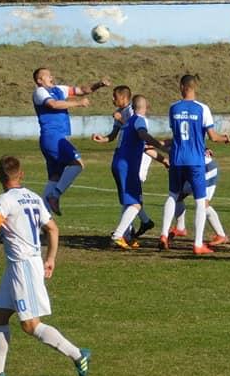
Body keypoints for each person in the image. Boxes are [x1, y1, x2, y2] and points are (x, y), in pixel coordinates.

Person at [0, 156, 90, 376]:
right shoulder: (33, 197)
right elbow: (53, 228)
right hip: (17, 266)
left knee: (30, 325)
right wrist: (50, 258)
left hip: (24, 266)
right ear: (21, 174)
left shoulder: (4, 200)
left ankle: (78, 354)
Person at [159, 75, 230, 254]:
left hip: (176, 159)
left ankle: (163, 235)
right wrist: (224, 138)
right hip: (195, 161)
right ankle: (198, 244)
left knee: (172, 195)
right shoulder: (202, 109)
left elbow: (177, 135)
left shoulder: (173, 108)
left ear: (182, 86)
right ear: (194, 87)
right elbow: (213, 137)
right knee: (200, 202)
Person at [32, 67, 109, 216]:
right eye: (48, 75)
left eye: (51, 74)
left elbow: (82, 90)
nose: (51, 77)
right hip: (53, 137)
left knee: (55, 178)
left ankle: (40, 221)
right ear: (39, 80)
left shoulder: (59, 89)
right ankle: (55, 196)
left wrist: (99, 84)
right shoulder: (40, 92)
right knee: (77, 164)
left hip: (57, 137)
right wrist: (78, 103)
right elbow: (53, 104)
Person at [92, 85, 155, 238]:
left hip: (138, 158)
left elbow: (135, 127)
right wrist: (103, 139)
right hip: (127, 158)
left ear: (124, 98)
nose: (112, 99)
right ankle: (138, 226)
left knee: (132, 197)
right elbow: (113, 135)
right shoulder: (121, 113)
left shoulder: (133, 112)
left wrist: (121, 118)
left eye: (115, 96)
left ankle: (125, 232)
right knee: (130, 196)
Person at [109, 95, 165, 250]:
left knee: (129, 202)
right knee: (136, 203)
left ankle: (126, 236)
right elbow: (142, 135)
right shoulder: (140, 120)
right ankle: (118, 235)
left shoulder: (129, 122)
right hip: (127, 166)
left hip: (118, 163)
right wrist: (159, 145)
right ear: (146, 106)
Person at [169, 149, 229, 246]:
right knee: (177, 197)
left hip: (206, 169)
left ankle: (221, 235)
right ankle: (180, 228)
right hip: (191, 169)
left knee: (203, 204)